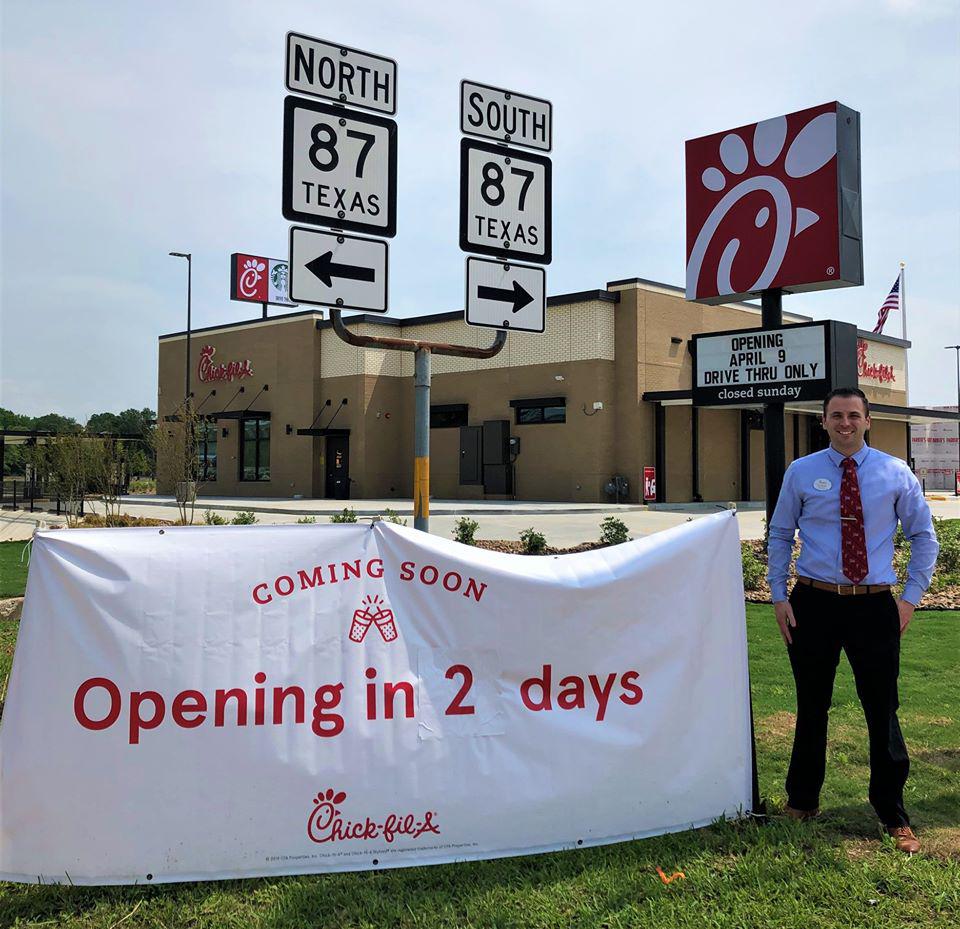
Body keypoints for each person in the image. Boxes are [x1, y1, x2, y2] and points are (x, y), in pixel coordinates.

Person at [767, 387, 938, 854]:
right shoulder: (801, 472)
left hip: (874, 606)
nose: (845, 423)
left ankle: (892, 813)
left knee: (882, 710)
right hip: (813, 603)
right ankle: (802, 800)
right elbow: (781, 533)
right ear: (823, 421)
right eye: (836, 416)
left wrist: (909, 600)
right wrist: (779, 595)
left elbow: (924, 537)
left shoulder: (894, 472)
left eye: (853, 415)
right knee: (811, 705)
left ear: (868, 420)